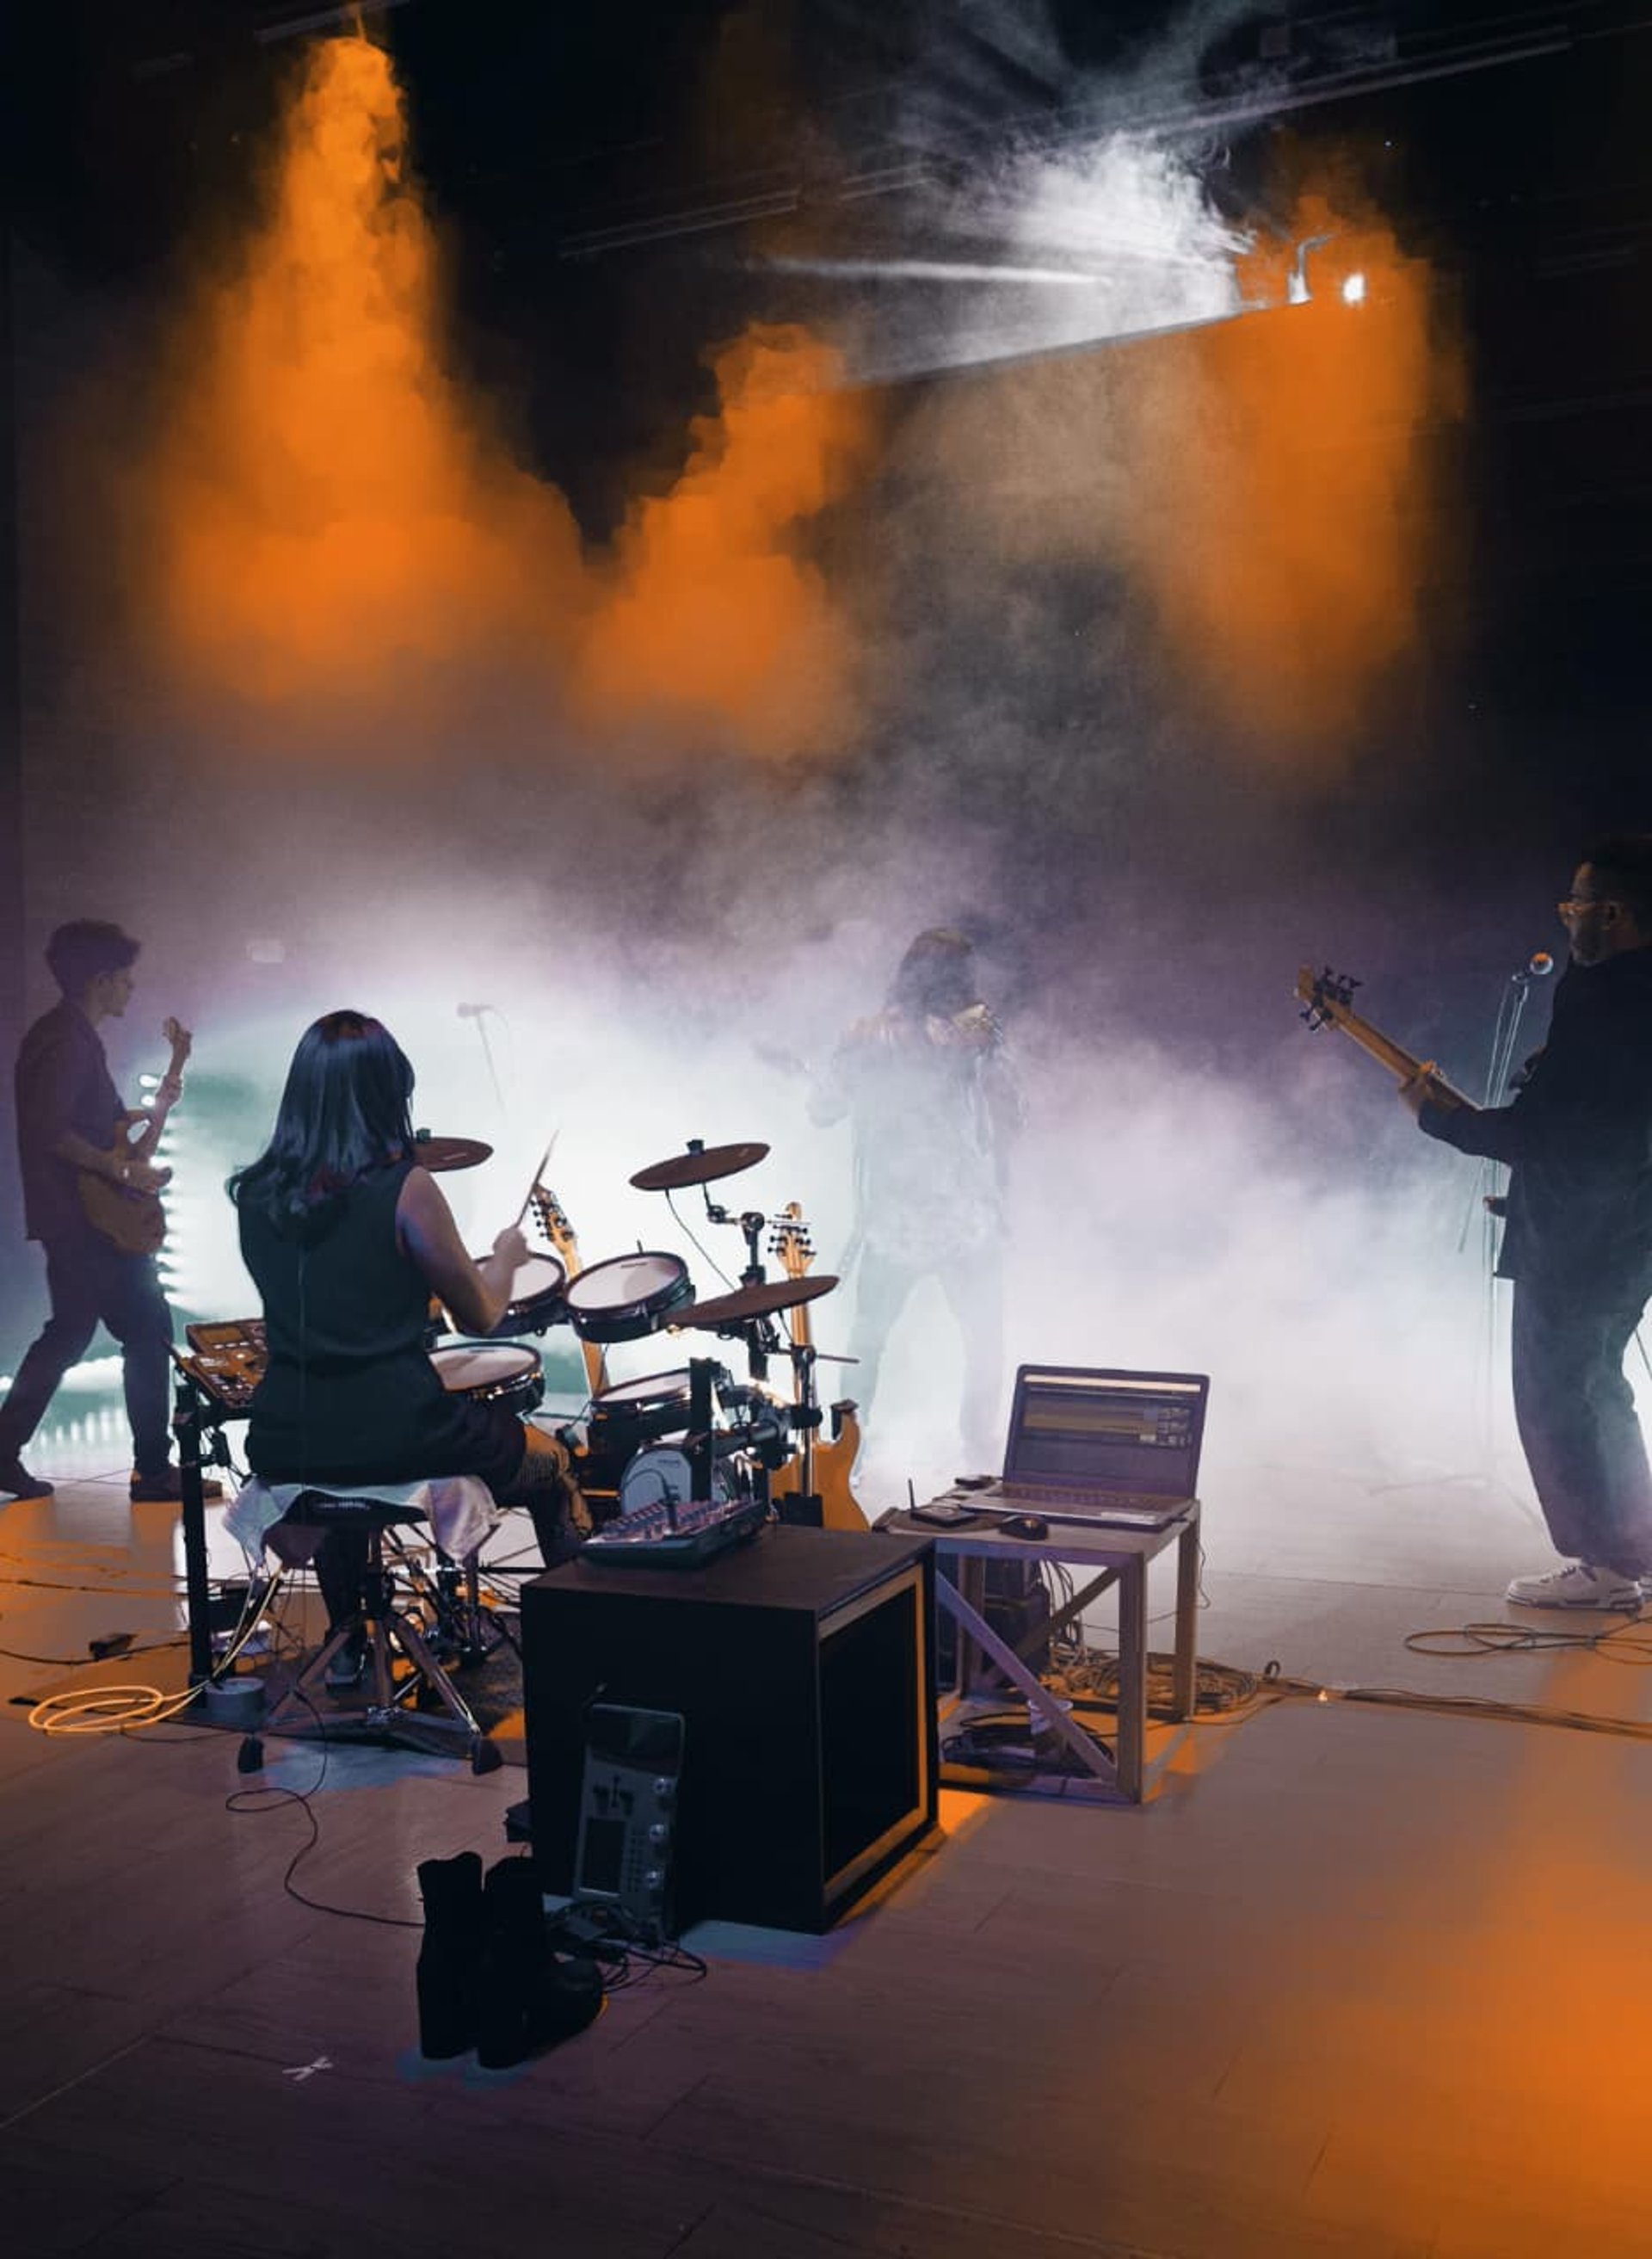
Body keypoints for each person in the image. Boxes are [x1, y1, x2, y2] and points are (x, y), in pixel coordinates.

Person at [230, 1009, 582, 1665]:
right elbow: (480, 1315)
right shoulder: (406, 1189)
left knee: (339, 1475)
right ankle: (582, 1651)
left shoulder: (253, 1194)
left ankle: (348, 1652)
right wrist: (507, 1258)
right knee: (554, 1463)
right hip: (397, 1428)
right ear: (388, 1091)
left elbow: (333, 1292)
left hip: (287, 1435)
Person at [1403, 835, 1652, 1608]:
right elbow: (1602, 1134)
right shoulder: (1625, 994)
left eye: (1577, 903)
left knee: (1558, 1397)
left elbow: (1551, 1134)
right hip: (1616, 1231)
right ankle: (1633, 1554)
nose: (1567, 916)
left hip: (1581, 1243)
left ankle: (1605, 1566)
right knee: (1599, 1390)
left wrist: (1438, 1118)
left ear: (1613, 914)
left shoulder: (1609, 1001)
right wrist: (1532, 1196)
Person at [0, 920, 203, 1505]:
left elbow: (121, 1147)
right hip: (89, 1221)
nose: (131, 988)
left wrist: (163, 1102)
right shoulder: (65, 1042)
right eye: (125, 978)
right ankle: (153, 1470)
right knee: (147, 1329)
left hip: (82, 1218)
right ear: (100, 979)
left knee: (69, 1332)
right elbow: (51, 1131)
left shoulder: (73, 1039)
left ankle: (3, 1448)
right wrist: (117, 1171)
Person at [809, 928, 1021, 1473]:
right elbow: (1010, 1110)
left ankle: (848, 1456)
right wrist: (1001, 1186)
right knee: (982, 1338)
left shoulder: (871, 1034)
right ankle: (979, 1449)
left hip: (900, 1218)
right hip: (960, 1215)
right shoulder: (979, 1030)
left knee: (868, 1339)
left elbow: (823, 1109)